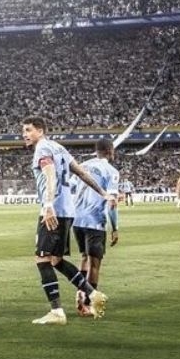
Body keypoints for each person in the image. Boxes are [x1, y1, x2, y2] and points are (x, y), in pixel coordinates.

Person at [21, 115, 112, 325]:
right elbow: (81, 172)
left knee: (42, 259)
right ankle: (92, 293)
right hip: (68, 210)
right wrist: (102, 192)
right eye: (24, 131)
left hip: (54, 209)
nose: (24, 135)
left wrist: (49, 204)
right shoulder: (59, 148)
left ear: (40, 131)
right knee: (56, 260)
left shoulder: (43, 149)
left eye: (28, 130)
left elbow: (50, 174)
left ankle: (56, 311)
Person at [72, 139, 120, 317]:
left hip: (77, 220)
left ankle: (80, 292)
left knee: (84, 257)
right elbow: (112, 203)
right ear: (110, 151)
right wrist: (114, 227)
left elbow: (71, 188)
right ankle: (89, 303)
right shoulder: (111, 171)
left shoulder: (82, 165)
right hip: (94, 221)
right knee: (95, 264)